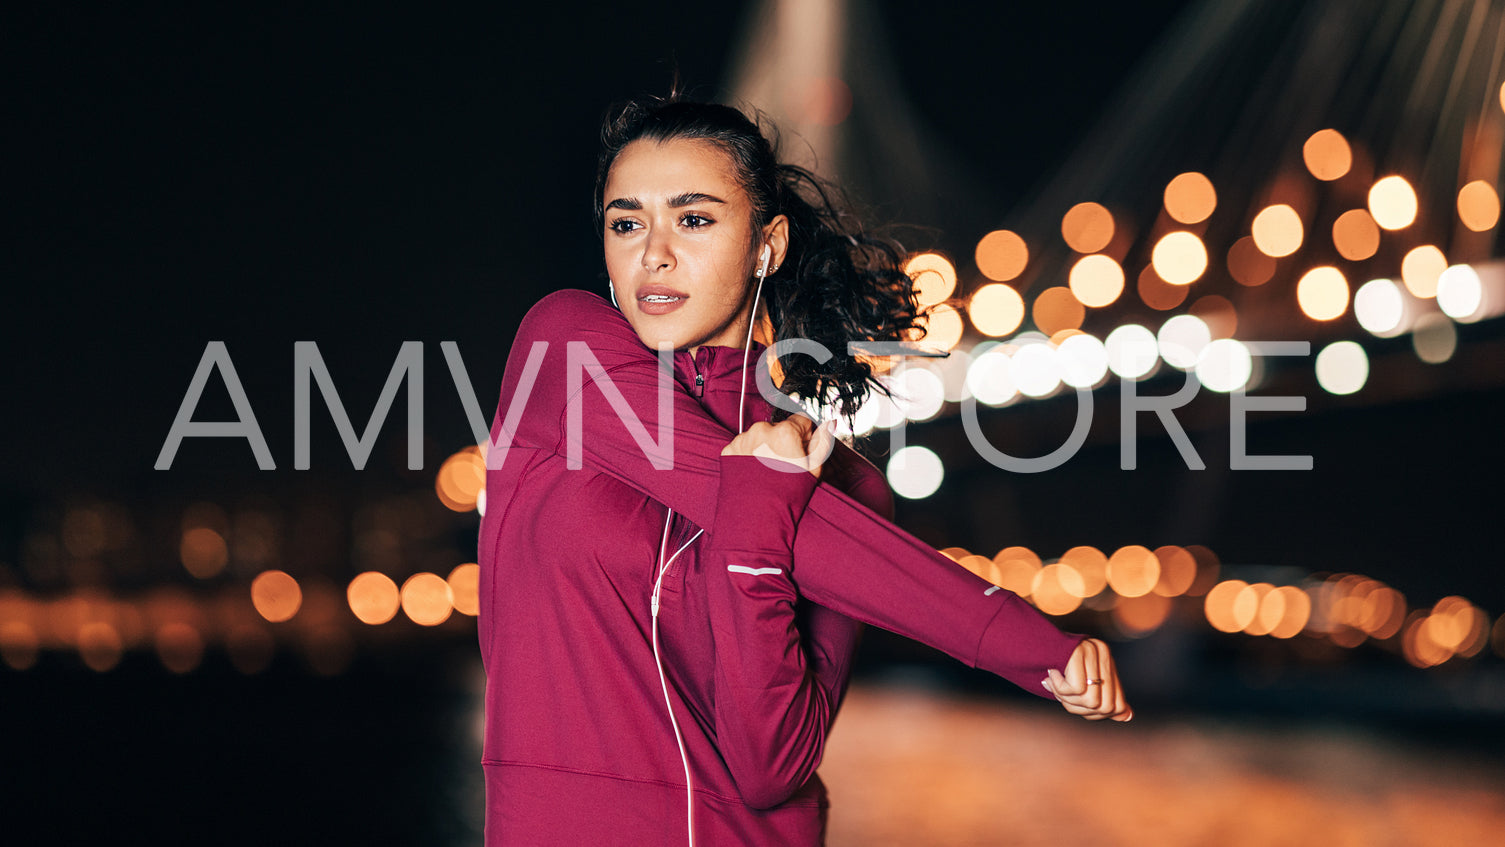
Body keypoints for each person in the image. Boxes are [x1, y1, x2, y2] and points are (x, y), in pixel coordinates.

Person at [476, 92, 1131, 846]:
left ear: (766, 243)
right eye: (627, 222)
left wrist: (760, 534)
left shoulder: (844, 485)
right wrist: (1040, 650)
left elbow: (768, 768)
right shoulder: (564, 350)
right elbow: (721, 485)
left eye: (693, 219)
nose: (652, 252)